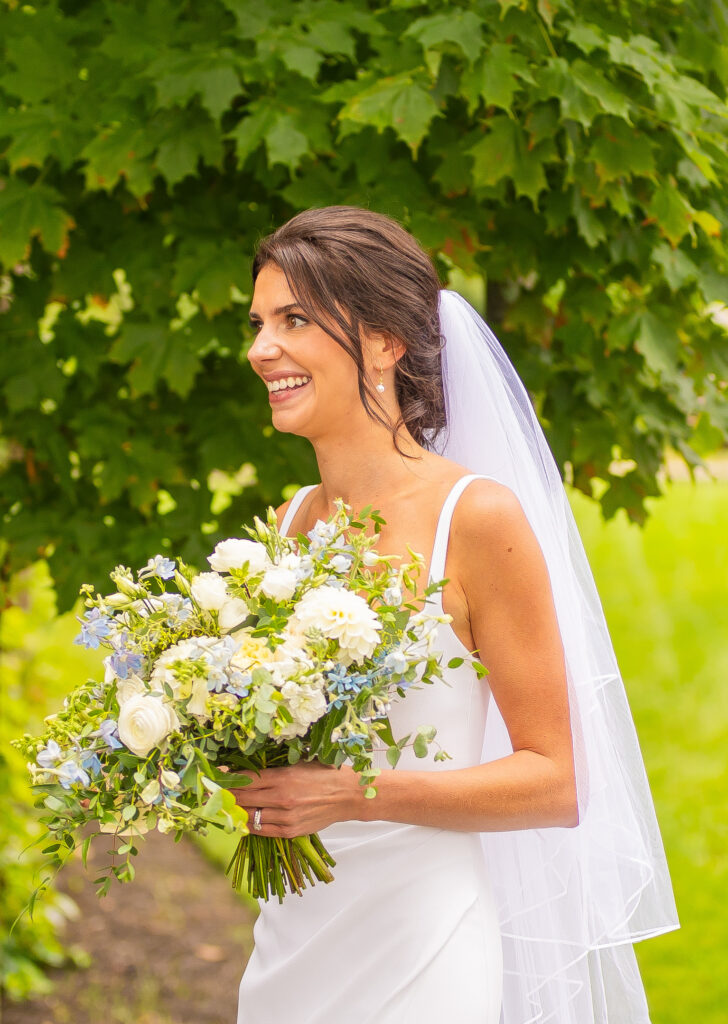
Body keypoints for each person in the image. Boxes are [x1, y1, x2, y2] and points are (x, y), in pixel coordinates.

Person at [233, 206, 678, 1024]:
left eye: (294, 319)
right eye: (259, 322)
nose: (261, 349)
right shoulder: (292, 520)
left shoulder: (475, 519)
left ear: (384, 342)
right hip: (292, 944)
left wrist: (352, 795)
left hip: (422, 949)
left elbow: (555, 781)